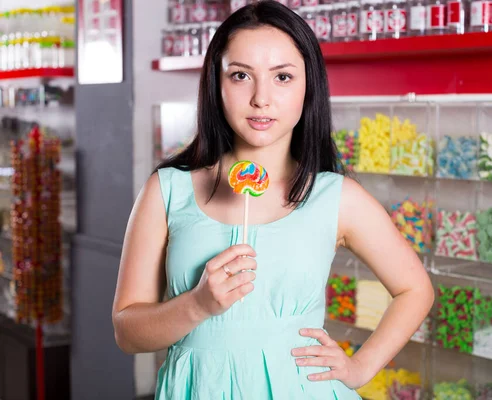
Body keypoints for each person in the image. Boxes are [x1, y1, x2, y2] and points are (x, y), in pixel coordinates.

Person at [112, 1, 434, 399]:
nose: (261, 98)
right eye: (241, 75)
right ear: (216, 84)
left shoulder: (337, 197)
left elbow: (415, 289)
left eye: (282, 76)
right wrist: (197, 305)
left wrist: (360, 367)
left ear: (308, 86)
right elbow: (127, 333)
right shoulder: (166, 190)